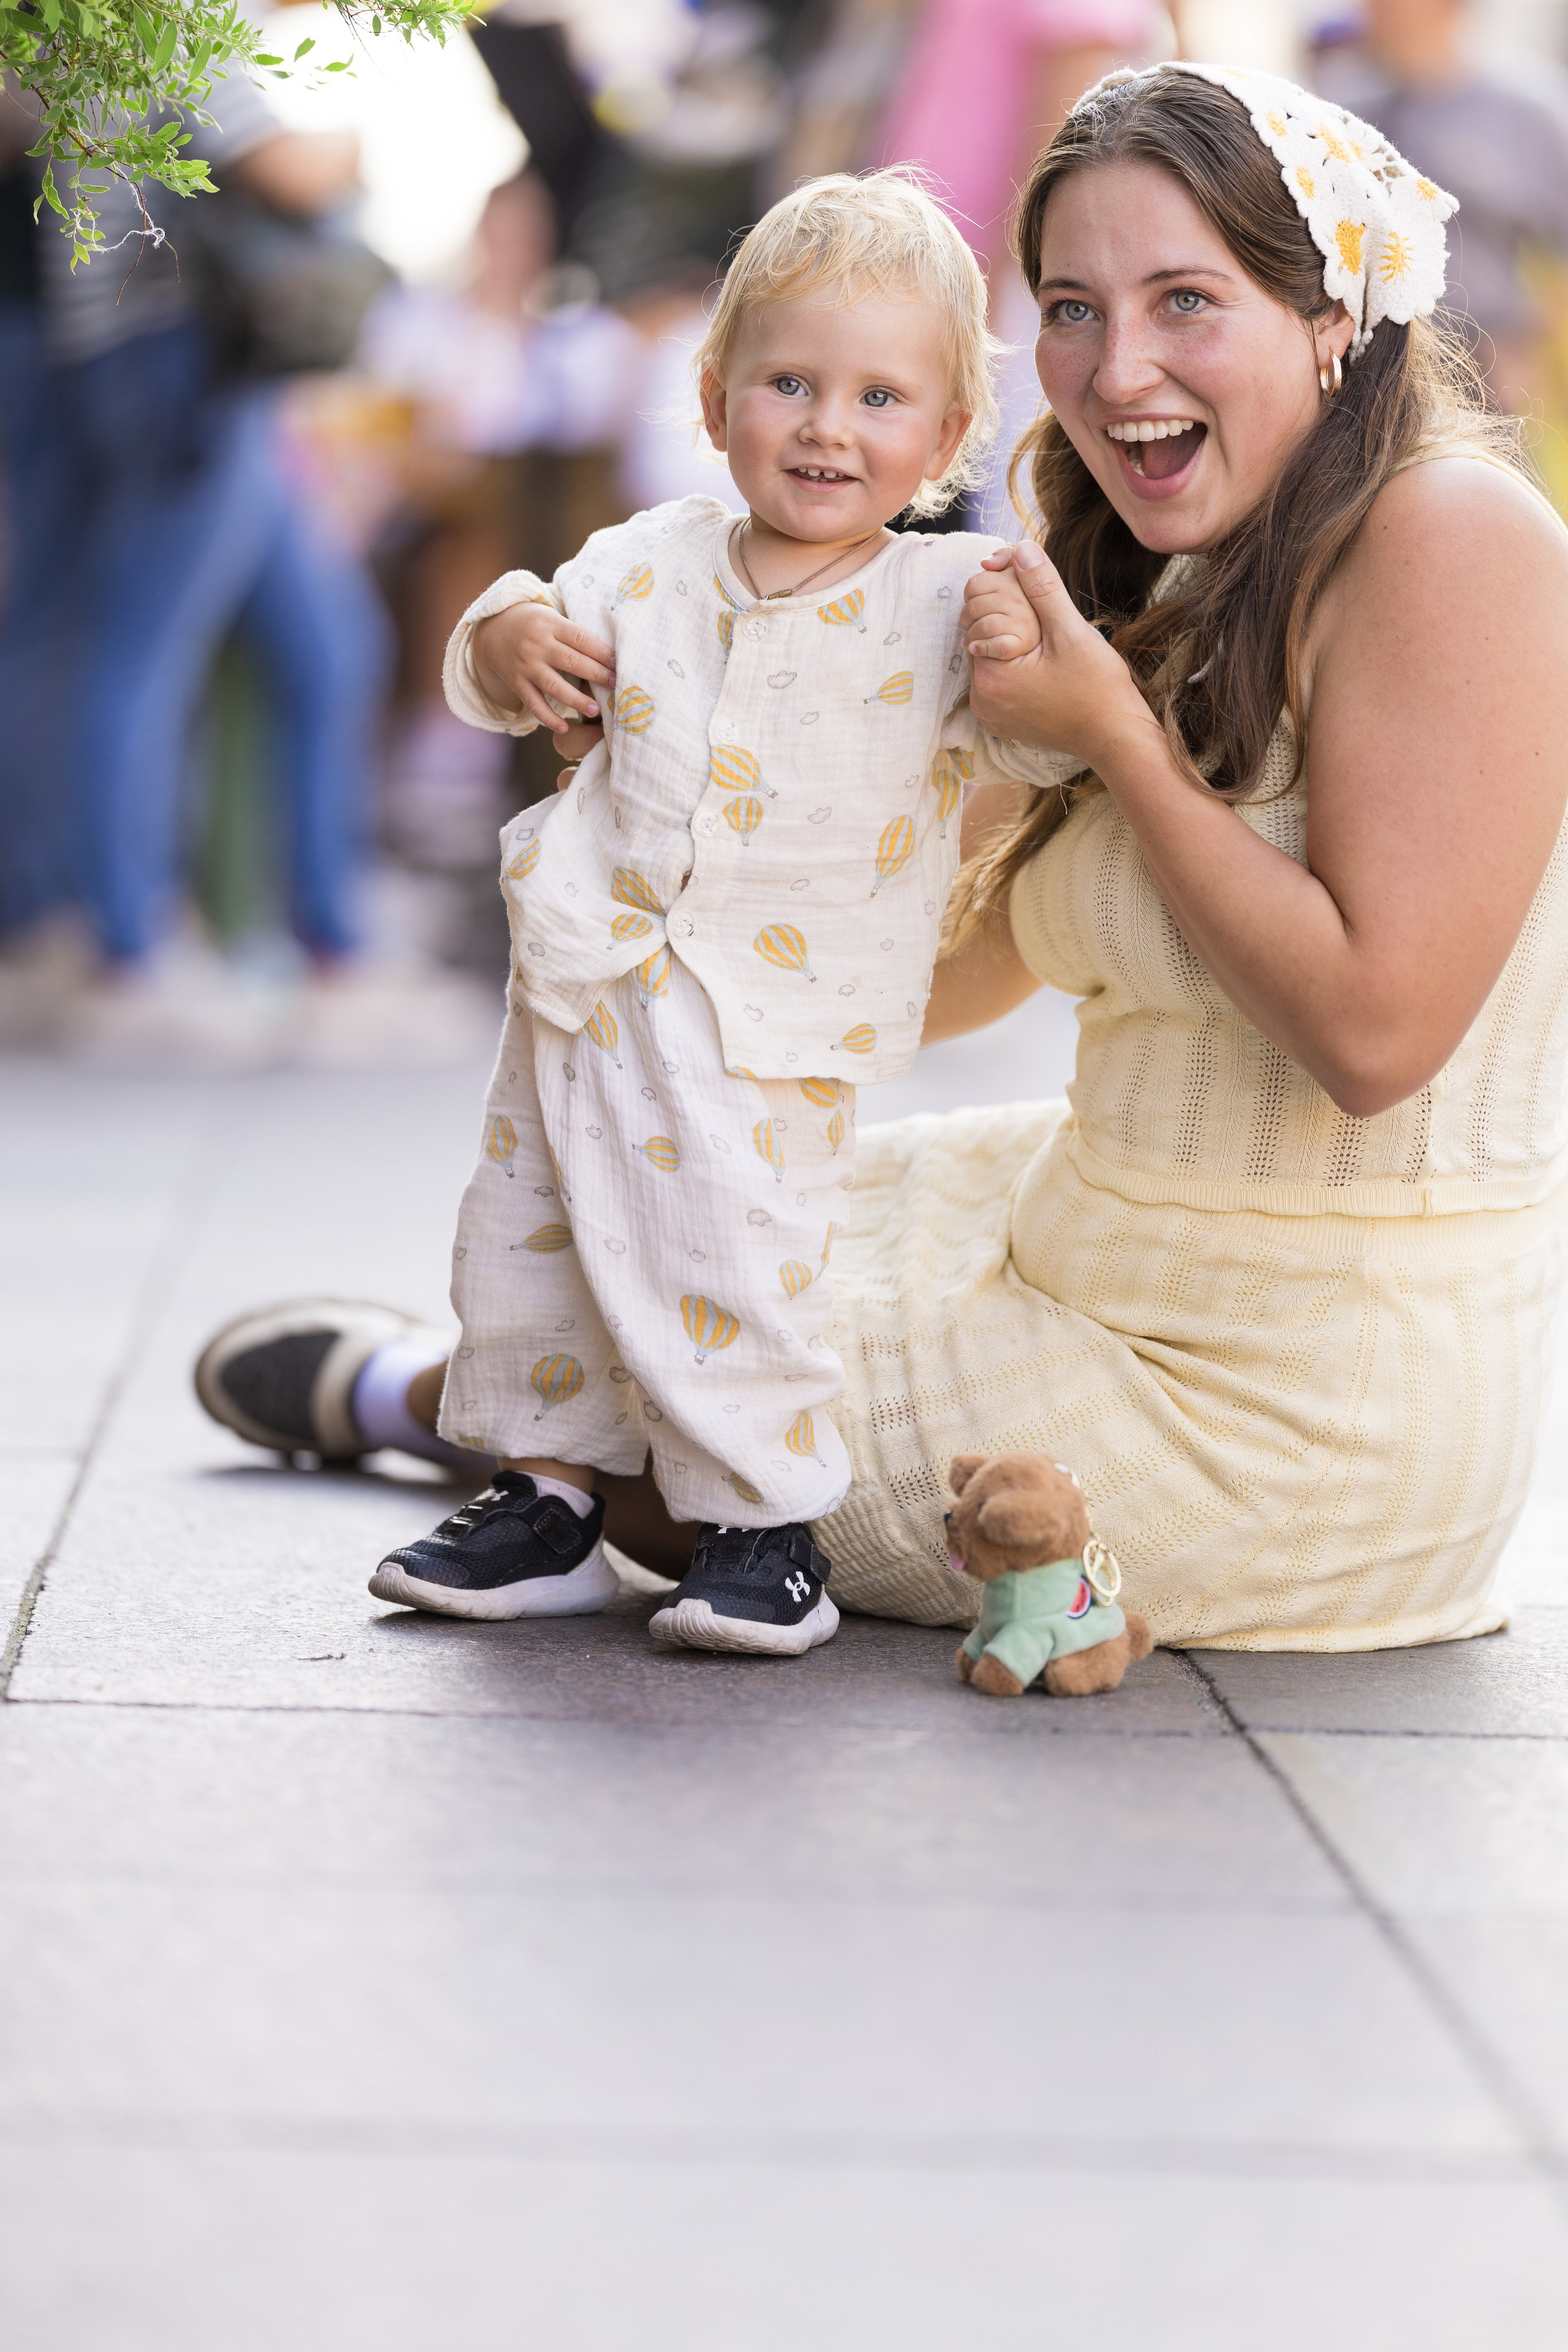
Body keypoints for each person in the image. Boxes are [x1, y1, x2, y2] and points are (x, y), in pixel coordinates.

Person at [197, 62, 1568, 1659]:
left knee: (714, 1418)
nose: (1115, 368)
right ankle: (480, 1409)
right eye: (1071, 306)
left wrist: (1115, 738)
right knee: (671, 1212)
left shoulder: (1456, 535)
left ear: (1332, 314)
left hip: (1293, 1398)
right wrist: (706, 772)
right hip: (1070, 1218)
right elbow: (935, 987)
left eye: (1185, 300)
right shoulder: (1165, 571)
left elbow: (1377, 1038)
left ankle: (408, 1399)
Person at [361, 169, 1080, 1655]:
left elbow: (1040, 740)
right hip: (586, 982)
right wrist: (507, 641)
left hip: (773, 1020)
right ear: (713, 397)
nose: (827, 426)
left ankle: (761, 1521)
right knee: (531, 1238)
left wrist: (1027, 656)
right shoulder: (644, 558)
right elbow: (502, 637)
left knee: (740, 1256)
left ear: (947, 434)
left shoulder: (950, 595)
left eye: (879, 398)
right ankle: (547, 1497)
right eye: (788, 384)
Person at [1311, 0, 1568, 412]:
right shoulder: (1335, 111)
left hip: (1485, 372)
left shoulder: (1525, 113)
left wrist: (1535, 354)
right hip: (1368, 371)